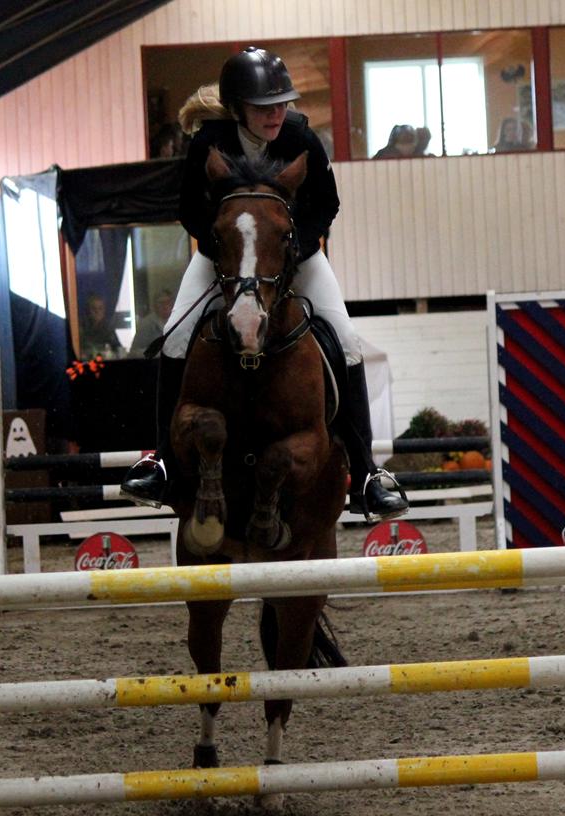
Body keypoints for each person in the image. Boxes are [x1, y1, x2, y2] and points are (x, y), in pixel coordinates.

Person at [121, 47, 408, 521]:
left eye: (281, 104)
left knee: (349, 343)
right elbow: (190, 208)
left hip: (299, 258)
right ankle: (162, 462)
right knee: (173, 338)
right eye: (263, 107)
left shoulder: (301, 139)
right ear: (237, 109)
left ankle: (369, 472)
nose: (276, 114)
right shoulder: (209, 141)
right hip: (224, 259)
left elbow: (327, 205)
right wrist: (228, 254)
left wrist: (289, 249)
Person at [129, 289, 174, 357]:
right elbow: (134, 352)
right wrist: (156, 353)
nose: (165, 306)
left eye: (168, 302)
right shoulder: (147, 324)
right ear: (155, 306)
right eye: (161, 303)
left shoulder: (176, 320)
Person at [78, 294, 121, 358]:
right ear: (87, 311)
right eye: (93, 308)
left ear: (104, 311)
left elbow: (118, 350)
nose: (97, 311)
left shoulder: (108, 330)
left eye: (100, 308)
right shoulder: (80, 329)